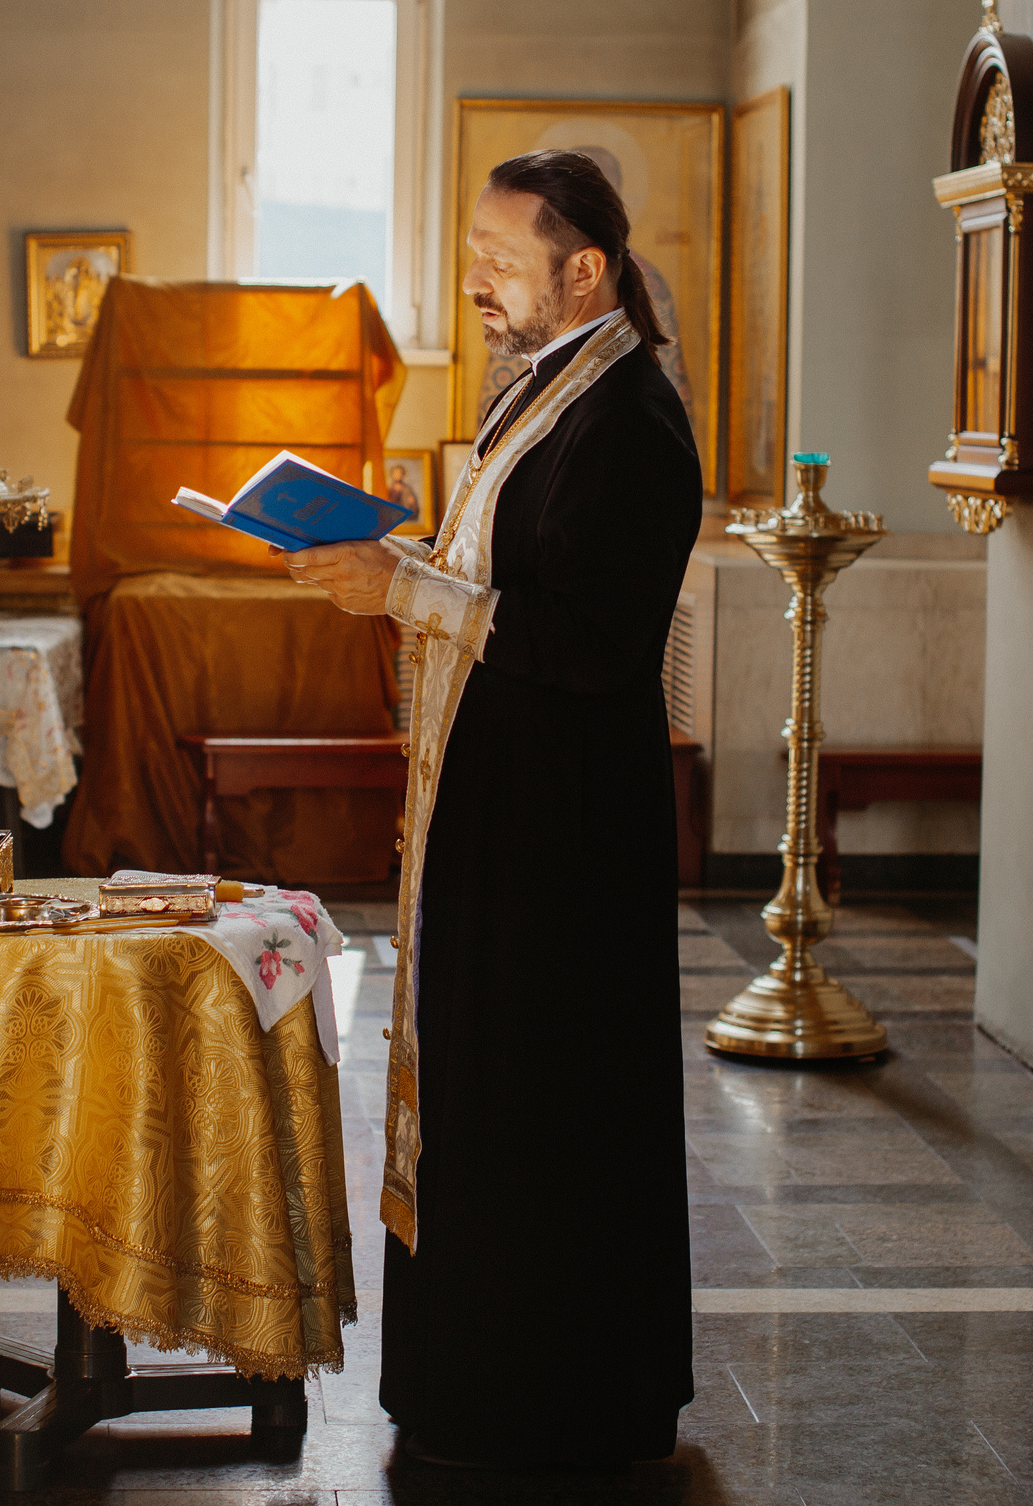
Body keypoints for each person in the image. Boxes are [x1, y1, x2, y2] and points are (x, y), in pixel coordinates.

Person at [285, 149, 699, 1466]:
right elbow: (504, 582)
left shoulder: (631, 421)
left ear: (585, 271)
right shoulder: (543, 396)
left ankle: (558, 1393)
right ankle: (473, 1378)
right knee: (490, 1095)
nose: (473, 278)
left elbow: (591, 643)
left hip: (567, 839)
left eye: (498, 257)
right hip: (505, 812)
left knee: (552, 1108)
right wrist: (396, 561)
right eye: (470, 250)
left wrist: (400, 589)